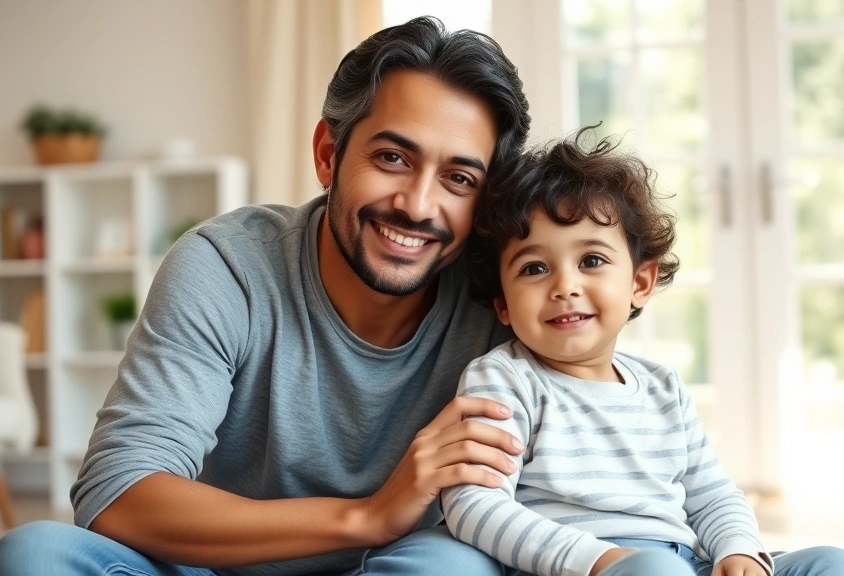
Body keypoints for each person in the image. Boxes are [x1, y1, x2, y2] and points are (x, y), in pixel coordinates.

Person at [0, 17, 531, 576]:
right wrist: (366, 517)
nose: (419, 206)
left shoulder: (503, 293)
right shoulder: (228, 266)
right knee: (35, 554)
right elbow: (118, 490)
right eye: (392, 158)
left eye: (460, 179)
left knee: (454, 567)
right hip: (217, 569)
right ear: (328, 153)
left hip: (395, 569)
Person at [441, 128, 844, 576]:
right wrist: (597, 560)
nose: (564, 286)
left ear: (640, 283)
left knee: (836, 564)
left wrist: (739, 551)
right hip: (577, 568)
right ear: (504, 305)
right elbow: (475, 504)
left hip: (685, 565)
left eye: (591, 261)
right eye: (534, 268)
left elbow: (713, 496)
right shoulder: (503, 380)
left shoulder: (664, 387)